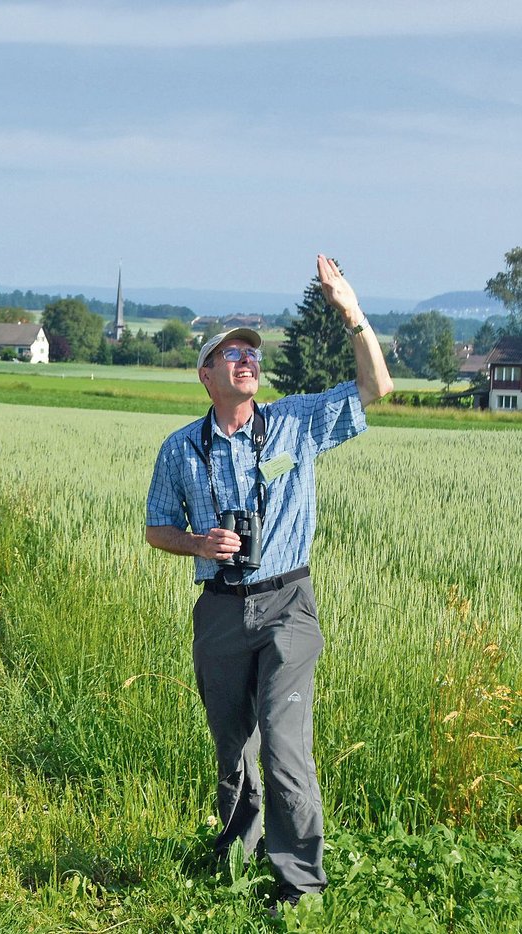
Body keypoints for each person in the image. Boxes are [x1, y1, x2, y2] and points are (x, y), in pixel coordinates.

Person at [144, 255, 393, 907]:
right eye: (231, 354)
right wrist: (198, 542)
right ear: (206, 374)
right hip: (220, 611)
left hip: (288, 604)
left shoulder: (296, 423)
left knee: (285, 748)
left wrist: (351, 311)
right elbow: (155, 529)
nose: (246, 360)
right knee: (234, 749)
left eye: (251, 352)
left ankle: (300, 885)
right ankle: (235, 858)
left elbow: (377, 389)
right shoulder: (180, 449)